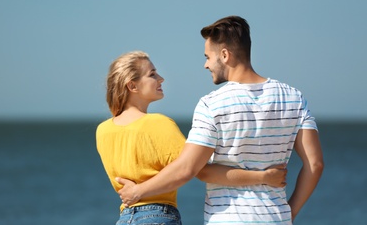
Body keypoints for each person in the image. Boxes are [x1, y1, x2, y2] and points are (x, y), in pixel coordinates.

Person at [117, 16, 324, 224]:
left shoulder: (211, 104)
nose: (206, 65)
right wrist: (290, 212)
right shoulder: (294, 97)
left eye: (208, 57)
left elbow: (189, 168)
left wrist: (137, 192)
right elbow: (315, 164)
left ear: (224, 55)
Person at [96, 51, 287, 224]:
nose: (161, 79)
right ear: (132, 86)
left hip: (125, 218)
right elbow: (197, 170)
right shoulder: (158, 124)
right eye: (152, 74)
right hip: (157, 216)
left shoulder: (103, 131)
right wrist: (264, 177)